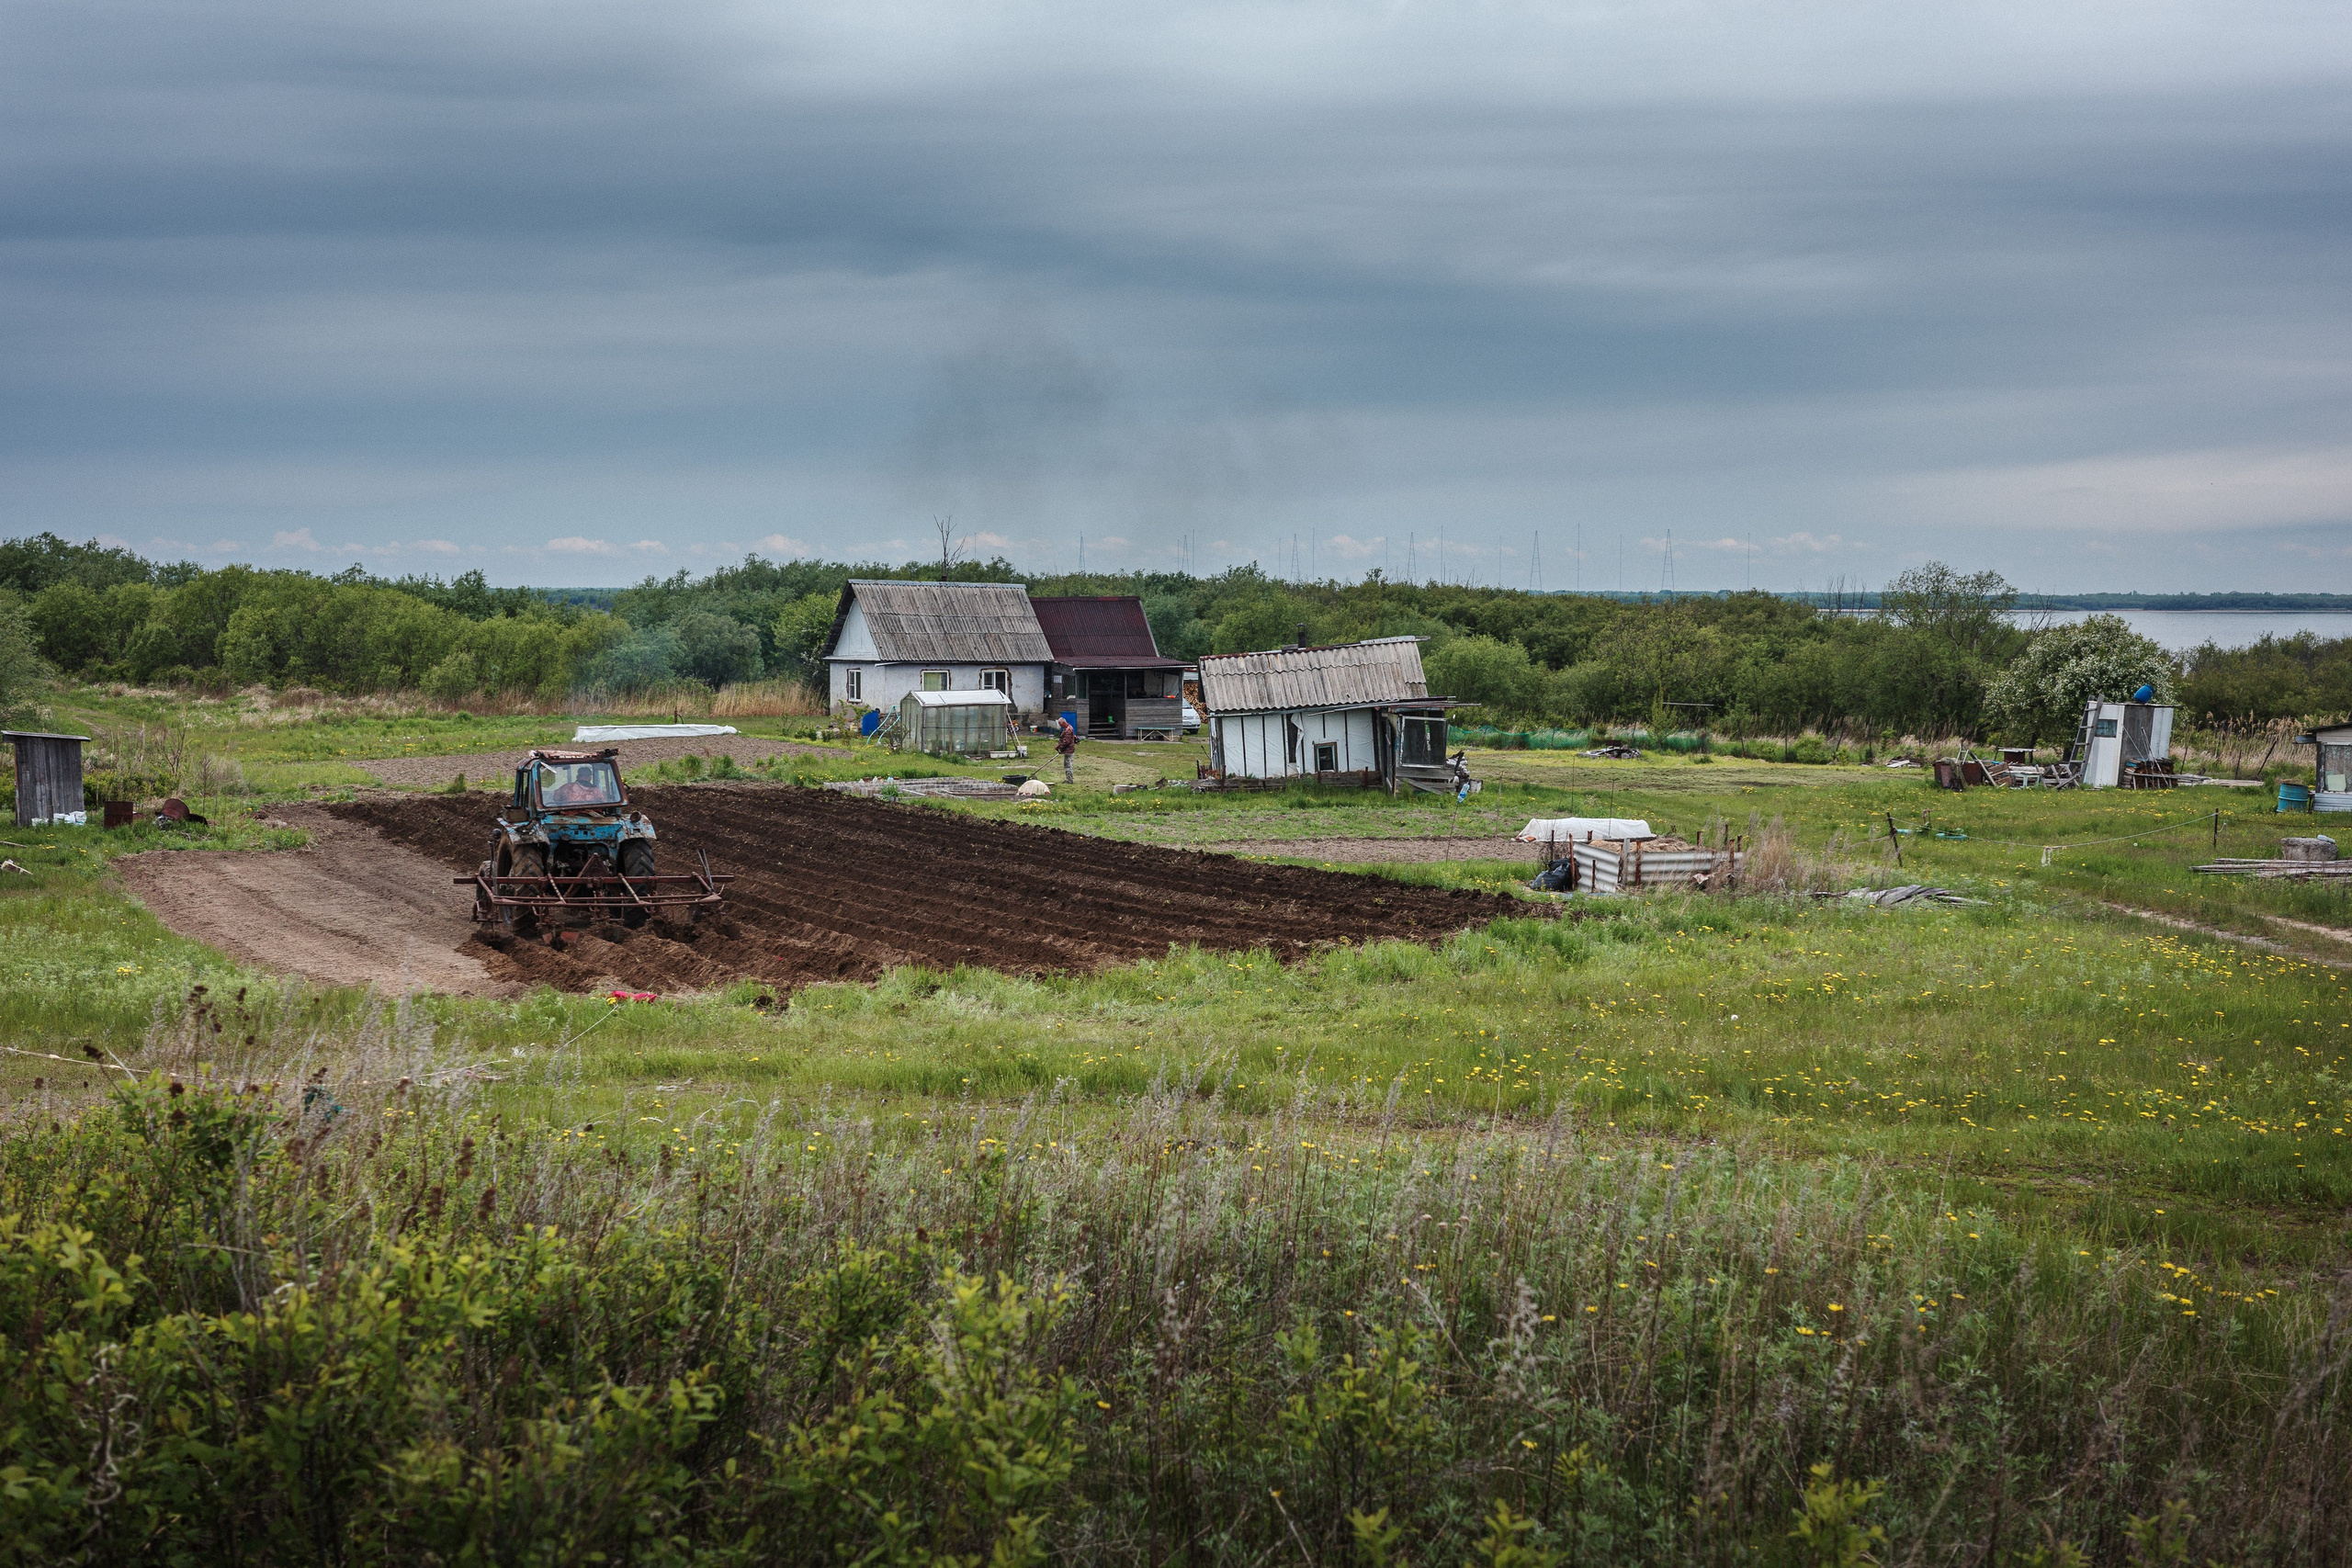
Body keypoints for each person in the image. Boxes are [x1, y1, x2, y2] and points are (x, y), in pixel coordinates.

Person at [1055, 715, 1079, 784]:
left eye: (1060, 724)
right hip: (1068, 749)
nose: (1060, 726)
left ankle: (1069, 780)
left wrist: (1059, 747)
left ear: (1063, 723)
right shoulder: (1068, 728)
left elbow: (1066, 741)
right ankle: (1069, 779)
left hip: (1069, 750)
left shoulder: (1068, 729)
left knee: (1068, 765)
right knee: (1068, 764)